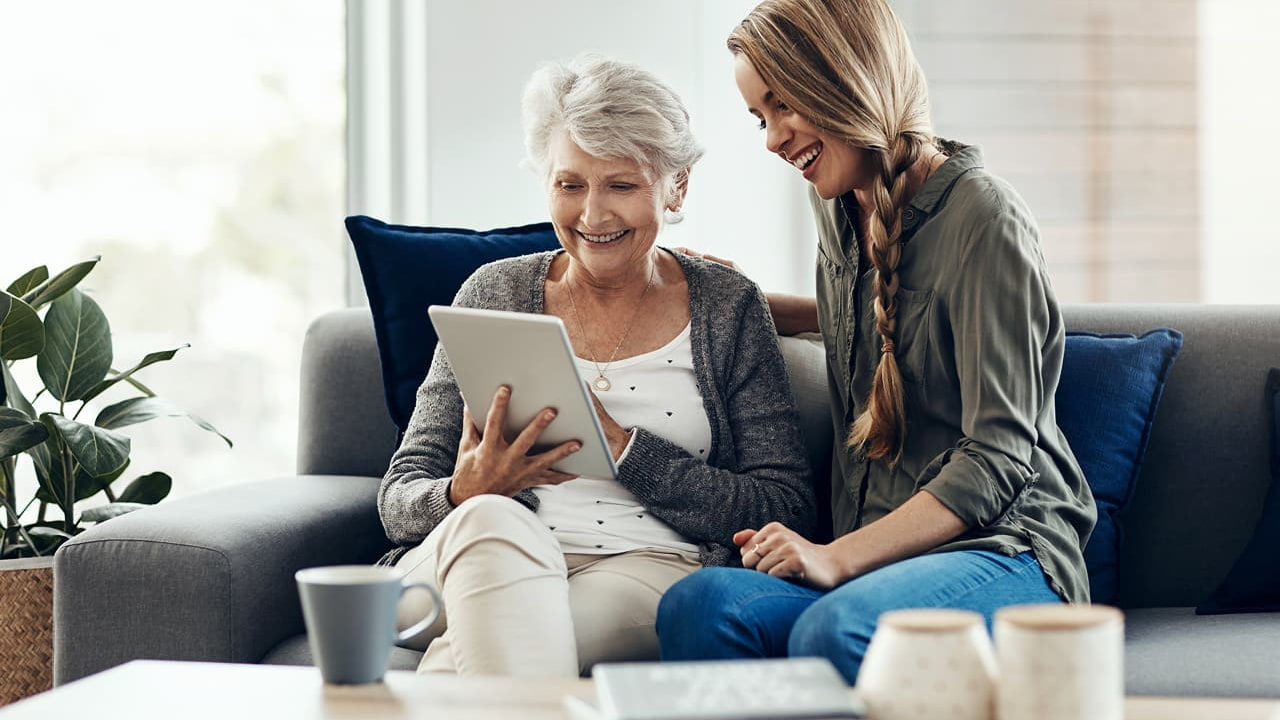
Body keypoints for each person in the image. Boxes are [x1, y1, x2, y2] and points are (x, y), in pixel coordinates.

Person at [658, 0, 1097, 684]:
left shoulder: (984, 218)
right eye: (759, 118)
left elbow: (1000, 455)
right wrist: (734, 299)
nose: (773, 139)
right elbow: (875, 321)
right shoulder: (837, 201)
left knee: (835, 627)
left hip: (1003, 550)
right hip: (873, 555)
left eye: (783, 106)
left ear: (844, 76)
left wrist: (838, 556)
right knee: (700, 606)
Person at [378, 55, 815, 678]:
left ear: (676, 186)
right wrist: (462, 491)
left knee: (494, 644)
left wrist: (628, 450)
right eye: (571, 184)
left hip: (648, 564)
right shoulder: (492, 291)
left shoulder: (727, 306)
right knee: (494, 534)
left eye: (622, 185)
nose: (593, 216)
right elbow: (398, 496)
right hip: (474, 546)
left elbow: (786, 505)